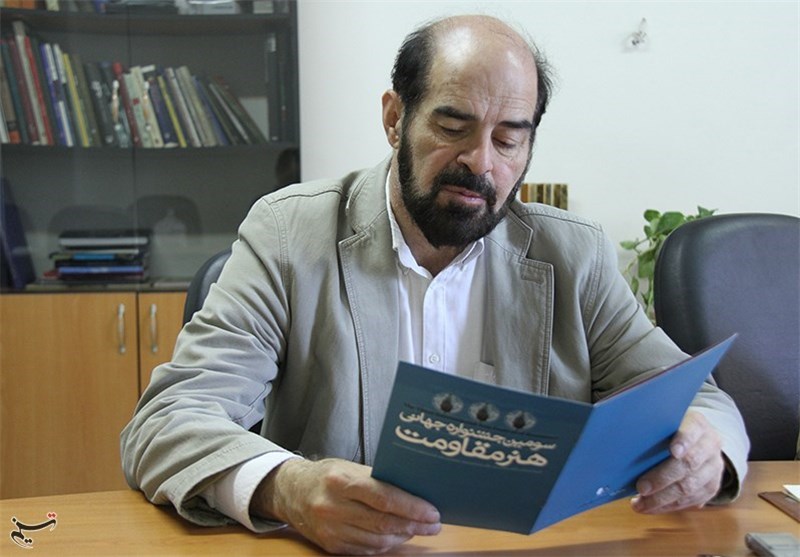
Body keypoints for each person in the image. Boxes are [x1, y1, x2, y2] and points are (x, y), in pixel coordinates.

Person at [121, 14, 749, 556]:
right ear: (395, 118)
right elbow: (170, 421)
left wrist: (706, 451)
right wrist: (288, 489)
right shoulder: (289, 235)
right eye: (453, 127)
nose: (481, 162)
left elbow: (697, 398)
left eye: (509, 139)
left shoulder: (573, 255)